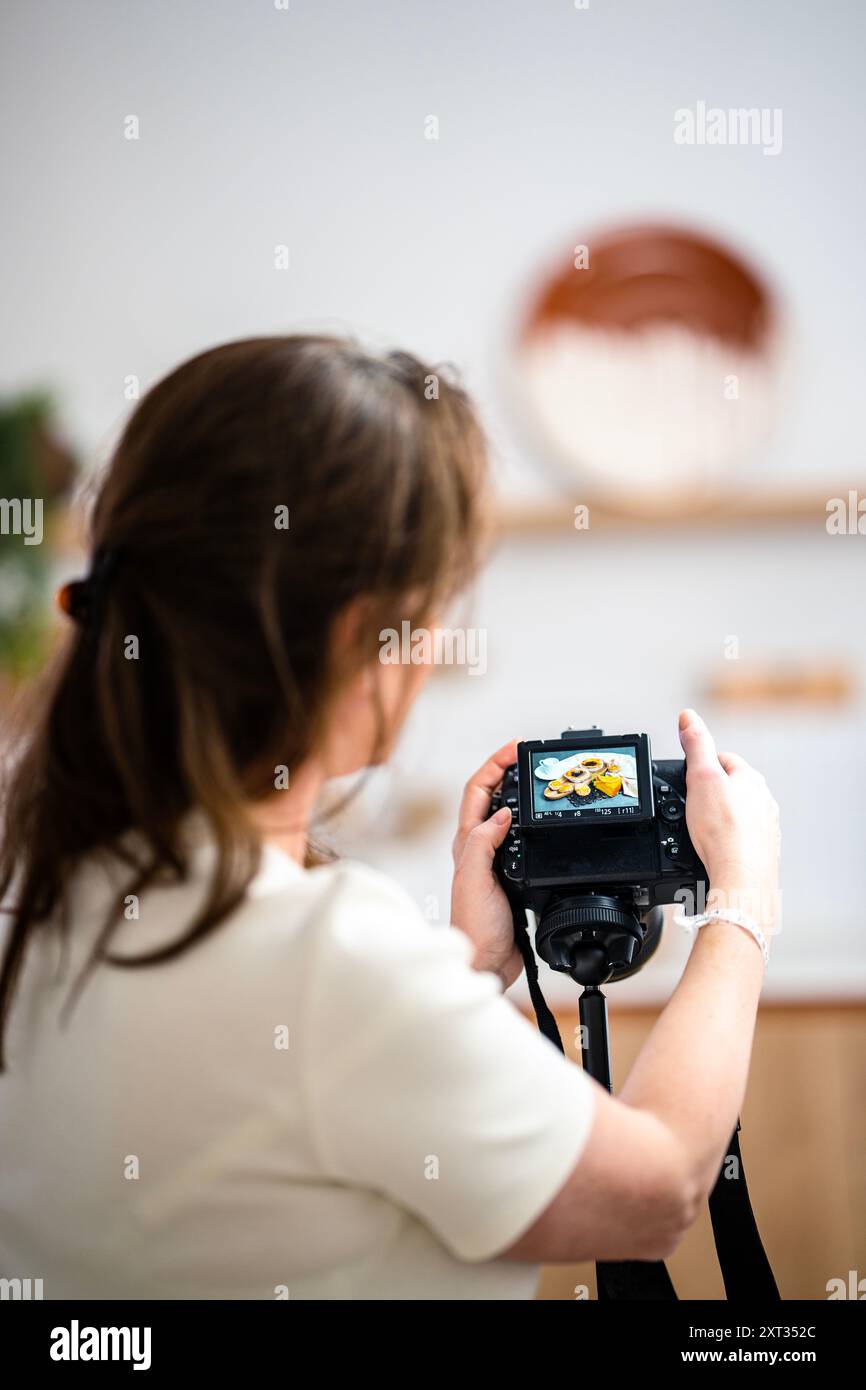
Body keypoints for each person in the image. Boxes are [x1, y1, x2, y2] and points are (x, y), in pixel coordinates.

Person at [0, 336, 780, 1300]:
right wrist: (742, 898)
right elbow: (657, 1192)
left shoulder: (44, 903)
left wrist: (469, 967)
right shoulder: (321, 955)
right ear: (360, 637)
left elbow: (308, 1127)